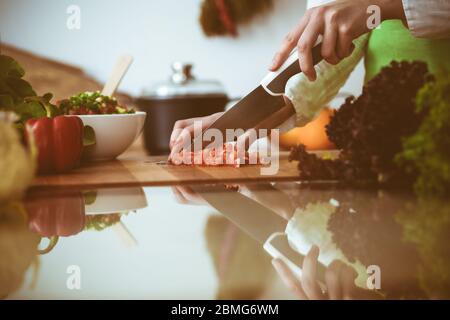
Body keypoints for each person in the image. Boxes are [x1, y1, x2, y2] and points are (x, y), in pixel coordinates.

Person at [169, 0, 450, 159]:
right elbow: (328, 39)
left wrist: (386, 6)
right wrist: (243, 118)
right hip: (384, 150)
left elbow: (367, 10)